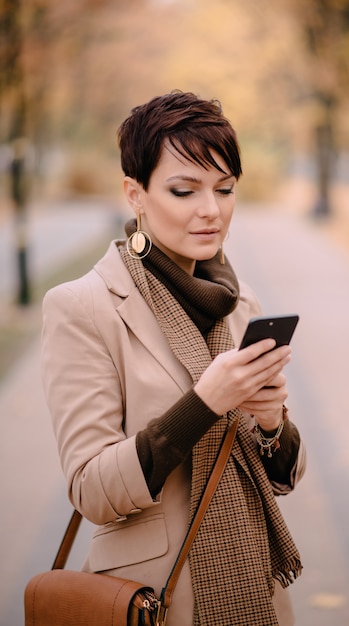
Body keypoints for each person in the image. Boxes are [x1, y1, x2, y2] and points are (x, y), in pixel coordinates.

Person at [41, 91, 306, 626]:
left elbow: (284, 475)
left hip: (254, 586)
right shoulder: (82, 307)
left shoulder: (239, 300)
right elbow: (91, 489)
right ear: (134, 194)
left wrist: (273, 422)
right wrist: (205, 402)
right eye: (184, 190)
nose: (211, 210)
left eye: (225, 189)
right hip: (154, 599)